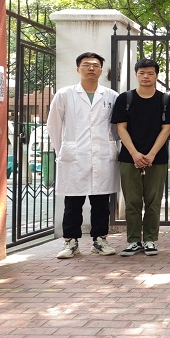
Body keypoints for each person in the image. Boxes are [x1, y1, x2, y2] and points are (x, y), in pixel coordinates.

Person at [47, 52, 120, 259]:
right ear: (78, 69)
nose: (91, 68)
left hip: (103, 155)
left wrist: (110, 145)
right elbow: (53, 125)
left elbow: (116, 127)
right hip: (74, 156)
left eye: (95, 65)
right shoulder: (65, 94)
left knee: (101, 202)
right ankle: (70, 242)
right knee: (73, 203)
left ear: (101, 70)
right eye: (86, 65)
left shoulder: (111, 96)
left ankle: (100, 240)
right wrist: (63, 149)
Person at [110, 58, 170, 257]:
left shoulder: (165, 100)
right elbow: (121, 128)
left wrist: (151, 154)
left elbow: (166, 129)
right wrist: (134, 153)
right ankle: (133, 241)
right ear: (136, 75)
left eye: (150, 73)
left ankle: (150, 240)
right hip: (128, 157)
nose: (146, 77)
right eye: (142, 73)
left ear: (156, 75)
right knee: (132, 201)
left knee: (153, 201)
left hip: (157, 158)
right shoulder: (125, 99)